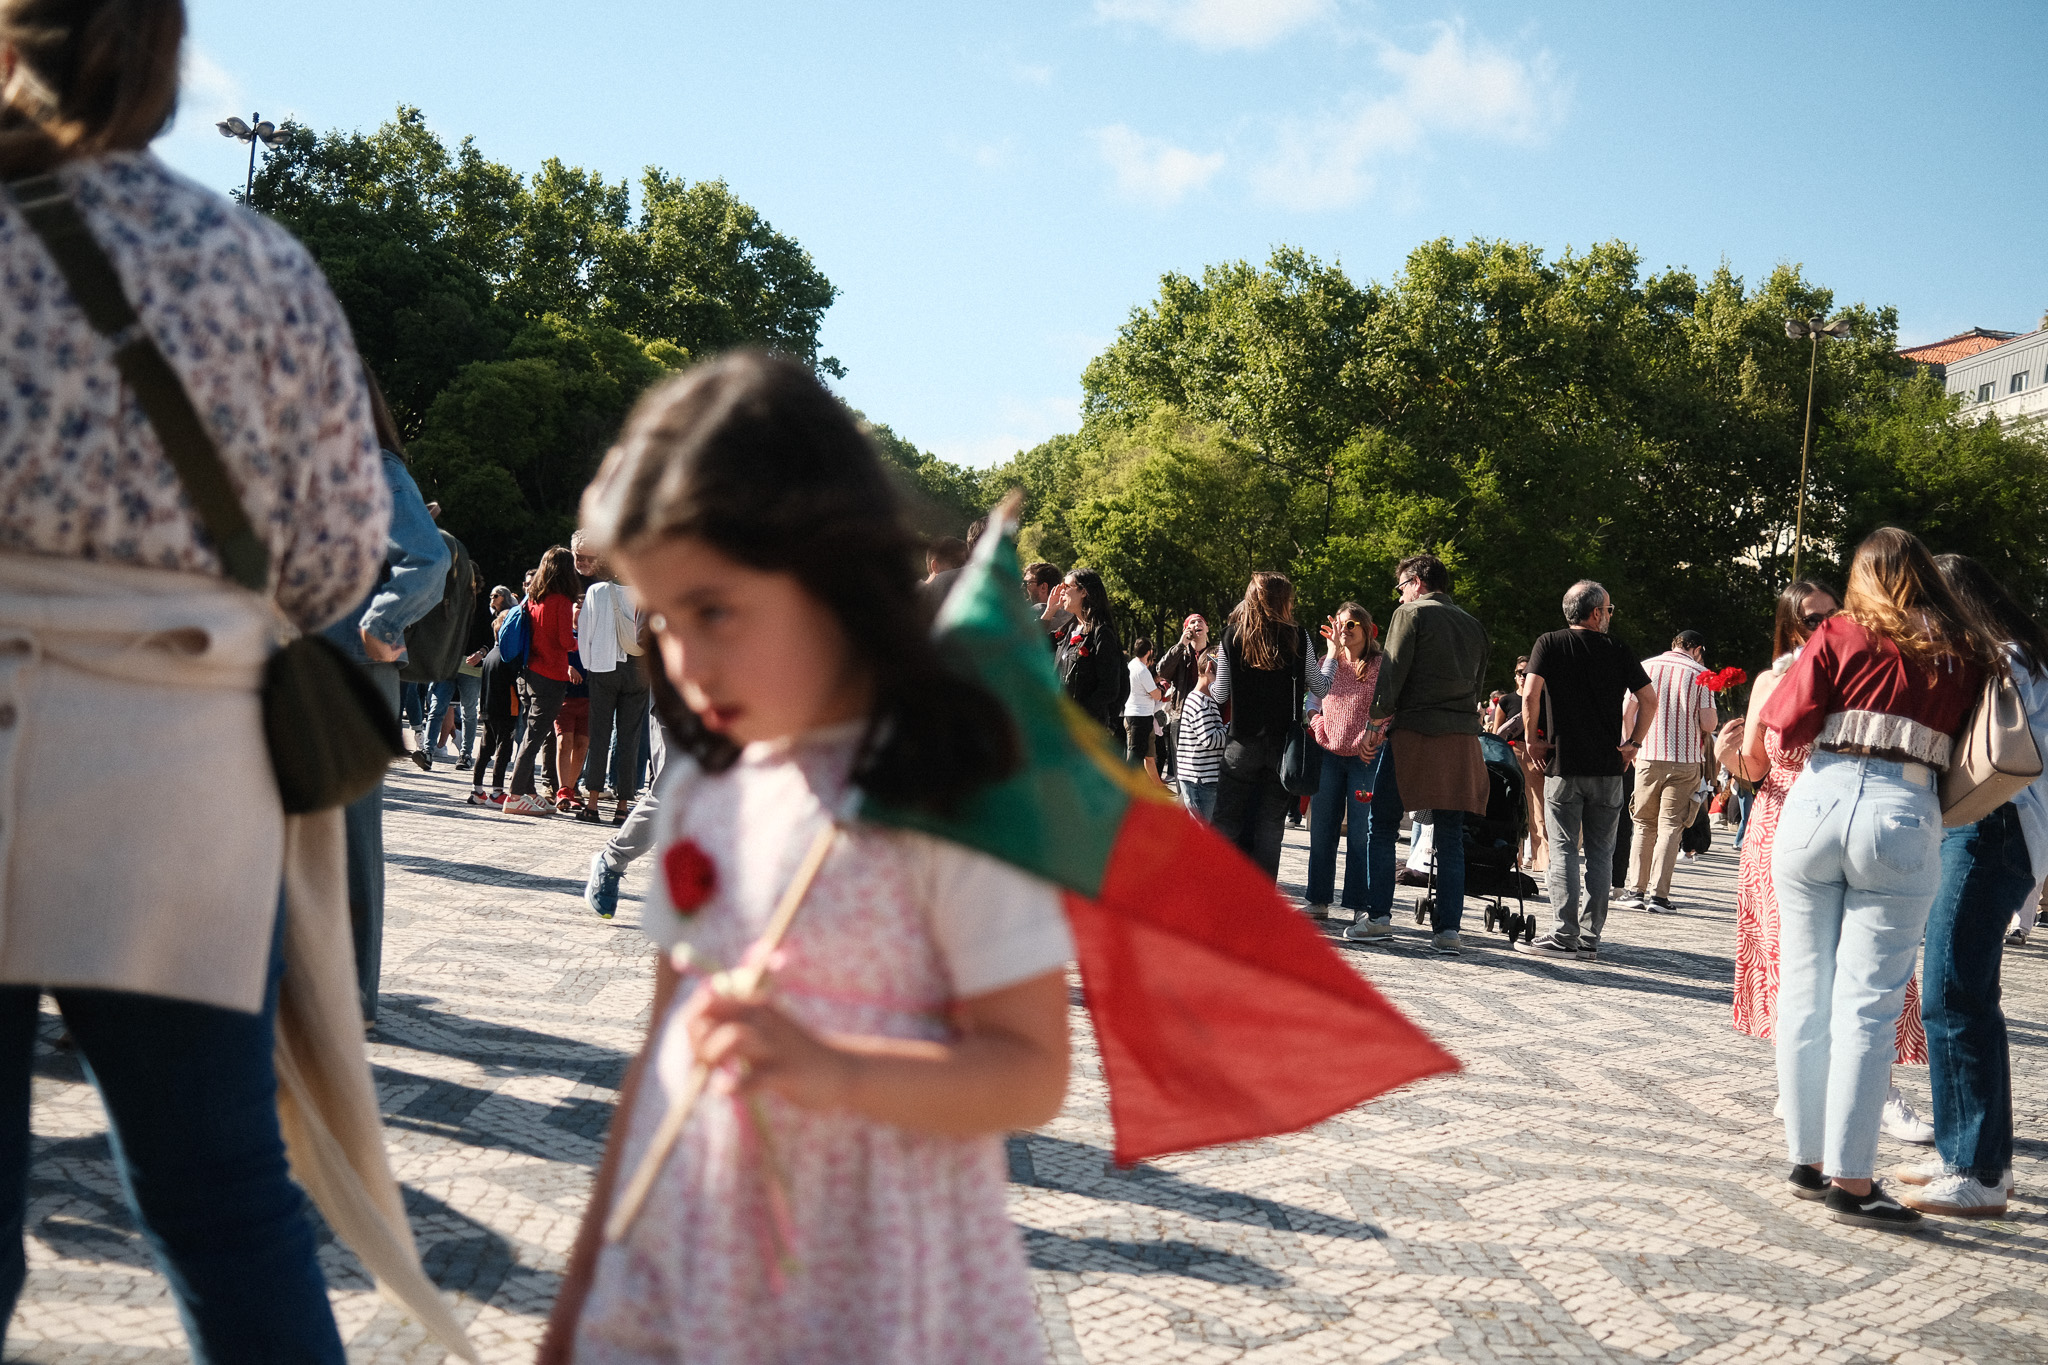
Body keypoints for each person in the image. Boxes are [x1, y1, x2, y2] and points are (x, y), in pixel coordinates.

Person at [542, 351, 1071, 1362]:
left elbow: (1031, 1069)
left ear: (829, 574)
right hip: (689, 1255)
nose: (685, 661)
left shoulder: (943, 784)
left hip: (876, 1285)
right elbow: (661, 1046)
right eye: (661, 619)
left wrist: (839, 1070)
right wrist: (578, 1302)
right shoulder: (703, 783)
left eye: (713, 610)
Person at [0, 0, 392, 1349]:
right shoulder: (256, 264)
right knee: (220, 1197)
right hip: (172, 765)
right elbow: (338, 560)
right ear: (167, 64)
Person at [1759, 527, 1990, 1231]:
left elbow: (1782, 721)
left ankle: (1806, 1160)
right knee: (1868, 1003)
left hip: (1816, 801)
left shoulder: (1837, 632)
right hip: (1902, 809)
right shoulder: (1959, 646)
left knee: (1804, 989)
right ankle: (1852, 1181)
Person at [1719, 579, 1934, 1145]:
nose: (1824, 626)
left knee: (1866, 960)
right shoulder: (1771, 680)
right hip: (1779, 822)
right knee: (1795, 962)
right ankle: (1801, 1085)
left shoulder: (1858, 671)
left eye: (1832, 615)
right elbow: (1755, 767)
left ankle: (1878, 1090)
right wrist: (1725, 753)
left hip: (1852, 818)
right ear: (1789, 626)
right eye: (1811, 619)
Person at [1890, 555, 2048, 1217]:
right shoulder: (2019, 656)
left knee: (1951, 992)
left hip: (1990, 824)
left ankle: (1977, 1170)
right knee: (1967, 994)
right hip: (2000, 830)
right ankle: (1978, 1157)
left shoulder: (1996, 660)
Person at [321, 375, 449, 1023]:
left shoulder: (375, 465)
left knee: (350, 840)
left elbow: (428, 558)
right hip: (290, 667)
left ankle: (353, 997)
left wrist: (382, 623)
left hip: (350, 670)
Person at [1513, 581, 1655, 960]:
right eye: (1608, 610)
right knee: (1601, 854)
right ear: (1595, 613)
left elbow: (1530, 694)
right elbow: (1648, 699)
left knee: (1562, 849)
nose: (1609, 615)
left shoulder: (1549, 643)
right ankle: (1590, 937)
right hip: (1608, 767)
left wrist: (1532, 738)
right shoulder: (1618, 649)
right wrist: (1633, 743)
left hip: (1563, 764)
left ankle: (1564, 933)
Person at [1355, 555, 1487, 954]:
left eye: (1401, 588)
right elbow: (1478, 687)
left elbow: (1391, 674)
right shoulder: (1474, 625)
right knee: (1450, 836)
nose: (1399, 597)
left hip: (1414, 734)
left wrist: (1374, 726)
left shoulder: (1410, 614)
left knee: (1382, 825)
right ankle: (1448, 931)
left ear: (1416, 582)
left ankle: (1378, 918)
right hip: (1461, 740)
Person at [1212, 572, 1330, 881]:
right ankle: (1260, 898)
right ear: (1283, 601)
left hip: (1241, 743)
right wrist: (1331, 655)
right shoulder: (1298, 636)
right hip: (1282, 746)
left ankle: (1218, 889)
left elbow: (1220, 694)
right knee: (1269, 828)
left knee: (1226, 821)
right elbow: (1320, 687)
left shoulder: (1231, 635)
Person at [1616, 630, 1719, 913]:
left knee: (1643, 824)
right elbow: (1709, 724)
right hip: (1685, 760)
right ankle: (1658, 897)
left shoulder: (1646, 667)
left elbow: (1626, 711)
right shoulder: (1701, 675)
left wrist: (1633, 744)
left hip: (1648, 755)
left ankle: (1635, 890)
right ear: (1697, 648)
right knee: (1671, 826)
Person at [1310, 604, 1390, 928]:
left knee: (1361, 834)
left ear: (1367, 628)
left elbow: (1390, 706)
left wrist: (1376, 735)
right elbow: (1312, 700)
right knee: (1322, 829)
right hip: (1328, 754)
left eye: (1352, 624)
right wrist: (1317, 723)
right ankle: (1318, 900)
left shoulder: (1380, 665)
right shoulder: (1326, 663)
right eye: (1340, 624)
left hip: (1365, 758)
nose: (1344, 630)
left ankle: (1359, 904)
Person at [574, 535, 651, 825]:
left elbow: (585, 632)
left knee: (599, 735)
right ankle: (622, 806)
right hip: (638, 669)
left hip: (604, 668)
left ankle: (592, 803)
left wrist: (589, 666)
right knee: (630, 738)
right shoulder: (645, 591)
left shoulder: (597, 591)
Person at [504, 545, 582, 816]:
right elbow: (565, 641)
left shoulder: (534, 598)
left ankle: (528, 792)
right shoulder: (561, 601)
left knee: (529, 734)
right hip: (550, 676)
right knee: (534, 738)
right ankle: (515, 795)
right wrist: (579, 640)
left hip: (528, 672)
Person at [1052, 568, 1124, 741]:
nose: (1061, 592)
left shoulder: (1102, 633)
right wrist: (1049, 611)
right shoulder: (1067, 630)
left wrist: (1079, 715)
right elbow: (1035, 643)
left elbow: (1109, 688)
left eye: (1066, 586)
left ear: (1083, 592)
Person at [469, 585, 522, 806]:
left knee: (484, 750)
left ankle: (476, 790)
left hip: (487, 709)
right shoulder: (507, 656)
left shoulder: (490, 655)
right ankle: (497, 792)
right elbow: (515, 682)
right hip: (506, 709)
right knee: (503, 750)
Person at [1153, 613, 1210, 781]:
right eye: (1192, 622)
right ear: (1186, 630)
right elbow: (1162, 671)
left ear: (1207, 628)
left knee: (1208, 766)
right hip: (1182, 716)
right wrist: (1180, 645)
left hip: (1209, 715)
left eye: (1200, 621)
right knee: (1181, 769)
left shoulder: (1216, 653)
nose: (1197, 624)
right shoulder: (1180, 654)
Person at [1176, 652, 1226, 821]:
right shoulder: (1199, 702)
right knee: (1201, 829)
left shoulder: (1205, 700)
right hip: (1200, 780)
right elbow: (1210, 740)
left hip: (1201, 778)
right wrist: (1233, 727)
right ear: (1210, 668)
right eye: (1223, 675)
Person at [1123, 635, 1164, 778]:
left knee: (1140, 754)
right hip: (1140, 716)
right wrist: (1162, 690)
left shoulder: (1131, 665)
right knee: (1136, 757)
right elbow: (1156, 695)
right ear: (1149, 652)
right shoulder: (1142, 670)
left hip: (1132, 713)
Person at [1024, 560, 1071, 639]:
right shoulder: (1071, 617)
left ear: (1043, 587)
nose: (1023, 587)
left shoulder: (1029, 614)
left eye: (1028, 583)